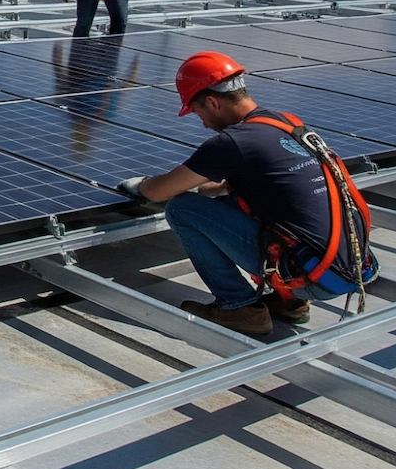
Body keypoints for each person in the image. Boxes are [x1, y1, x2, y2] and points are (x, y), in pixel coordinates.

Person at [117, 52, 379, 337]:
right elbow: (235, 187)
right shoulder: (285, 123)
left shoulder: (233, 142)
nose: (202, 122)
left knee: (181, 209)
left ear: (213, 102)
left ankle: (239, 308)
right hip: (348, 266)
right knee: (239, 203)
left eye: (197, 112)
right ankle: (290, 303)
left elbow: (158, 192)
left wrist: (140, 184)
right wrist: (199, 186)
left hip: (313, 276)